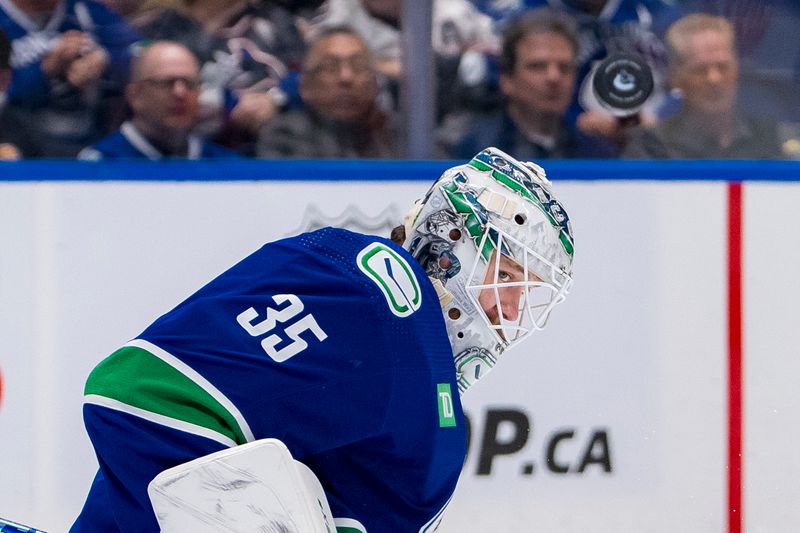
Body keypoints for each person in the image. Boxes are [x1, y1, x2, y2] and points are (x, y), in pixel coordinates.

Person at [70, 146, 575, 532]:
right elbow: (137, 393)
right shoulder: (376, 292)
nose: (510, 311)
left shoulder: (442, 430)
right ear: (451, 241)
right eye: (506, 276)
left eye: (527, 295)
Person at [444, 8, 618, 160]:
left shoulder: (597, 153)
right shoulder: (472, 153)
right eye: (538, 66)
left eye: (564, 67)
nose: (554, 77)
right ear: (507, 79)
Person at [623, 13, 784, 159]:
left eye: (722, 66)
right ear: (675, 77)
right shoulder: (652, 148)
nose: (714, 79)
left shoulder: (774, 138)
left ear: (737, 69)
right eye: (699, 70)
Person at [0, 0, 140, 158]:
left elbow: (144, 51)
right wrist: (44, 70)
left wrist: (106, 58)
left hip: (89, 147)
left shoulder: (86, 11)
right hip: (16, 143)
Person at [256, 26, 402, 159]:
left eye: (358, 66)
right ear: (305, 86)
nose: (346, 77)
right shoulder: (283, 136)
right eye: (330, 67)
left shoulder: (400, 135)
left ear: (375, 83)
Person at [78, 41, 236, 159]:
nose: (180, 92)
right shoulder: (99, 164)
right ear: (135, 95)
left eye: (189, 83)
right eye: (166, 83)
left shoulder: (226, 166)